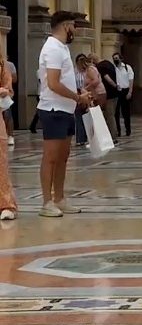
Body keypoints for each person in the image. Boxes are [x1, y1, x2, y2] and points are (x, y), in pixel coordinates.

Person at [37, 11, 91, 217]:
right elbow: (53, 83)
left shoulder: (62, 48)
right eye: (74, 26)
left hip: (66, 108)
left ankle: (59, 198)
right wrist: (77, 98)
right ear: (66, 26)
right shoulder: (52, 48)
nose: (75, 30)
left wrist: (78, 94)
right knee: (51, 157)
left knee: (63, 157)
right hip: (53, 109)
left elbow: (65, 80)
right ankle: (46, 201)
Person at [0, 53, 16, 219]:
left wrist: (5, 92)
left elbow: (8, 88)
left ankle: (6, 204)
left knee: (1, 164)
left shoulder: (1, 64)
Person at [90, 53, 119, 143]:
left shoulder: (100, 66)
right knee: (111, 115)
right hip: (115, 94)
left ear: (92, 60)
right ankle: (112, 135)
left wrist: (114, 85)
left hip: (108, 94)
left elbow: (107, 78)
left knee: (109, 116)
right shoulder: (109, 63)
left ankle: (112, 137)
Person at [113, 52, 134, 137]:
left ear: (121, 59)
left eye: (117, 58)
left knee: (126, 112)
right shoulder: (113, 68)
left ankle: (128, 130)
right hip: (117, 91)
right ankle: (118, 131)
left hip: (125, 90)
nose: (115, 60)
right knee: (116, 112)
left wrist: (130, 91)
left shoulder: (127, 68)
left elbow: (131, 80)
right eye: (114, 58)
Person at [3, 59, 16, 146]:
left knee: (7, 114)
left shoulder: (9, 65)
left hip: (4, 92)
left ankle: (10, 135)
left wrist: (7, 89)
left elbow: (13, 79)